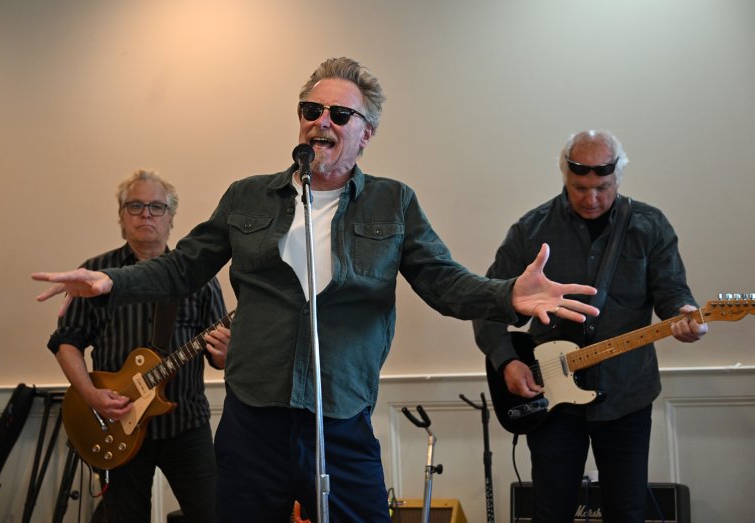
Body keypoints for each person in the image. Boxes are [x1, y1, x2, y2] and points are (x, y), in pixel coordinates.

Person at [34, 58, 599, 523]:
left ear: (365, 132)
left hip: (340, 414)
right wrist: (111, 280)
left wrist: (508, 297)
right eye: (311, 110)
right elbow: (183, 268)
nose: (320, 121)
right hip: (254, 416)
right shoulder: (248, 197)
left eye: (338, 113)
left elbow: (442, 282)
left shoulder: (393, 202)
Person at [473, 130, 707, 522]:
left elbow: (672, 293)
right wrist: (507, 362)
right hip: (551, 398)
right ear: (564, 175)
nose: (592, 198)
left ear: (618, 178)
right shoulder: (530, 230)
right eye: (579, 187)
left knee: (628, 509)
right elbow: (488, 305)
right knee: (550, 510)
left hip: (627, 394)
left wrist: (685, 315)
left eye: (603, 187)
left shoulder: (649, 225)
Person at [45, 169, 230, 523]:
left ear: (171, 217)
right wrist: (89, 395)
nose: (146, 214)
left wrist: (225, 355)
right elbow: (66, 341)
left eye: (157, 207)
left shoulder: (201, 278)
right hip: (113, 422)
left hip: (185, 424)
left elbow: (219, 356)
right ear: (121, 216)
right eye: (136, 206)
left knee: (213, 514)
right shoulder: (95, 274)